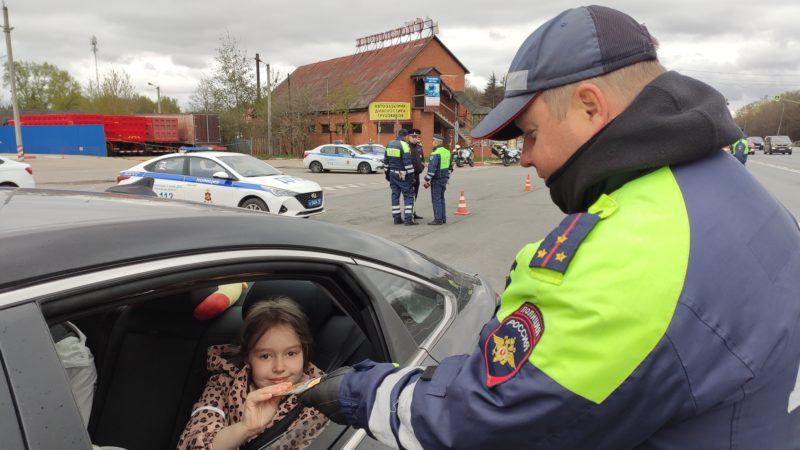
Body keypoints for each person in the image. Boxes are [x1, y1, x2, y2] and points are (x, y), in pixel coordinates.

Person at [298, 6, 800, 449]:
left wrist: (354, 391)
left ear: (590, 106)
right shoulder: (726, 184)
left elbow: (486, 423)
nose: (527, 157)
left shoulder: (630, 252)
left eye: (532, 134)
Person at [178, 298, 327, 450]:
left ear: (304, 352)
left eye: (291, 353)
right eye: (265, 356)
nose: (279, 367)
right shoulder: (223, 383)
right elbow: (192, 443)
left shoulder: (321, 396)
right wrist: (245, 428)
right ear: (247, 357)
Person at [383, 129, 418, 225]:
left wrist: (386, 173)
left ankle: (397, 218)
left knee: (395, 195)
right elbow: (407, 163)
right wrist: (412, 176)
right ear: (406, 136)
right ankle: (408, 220)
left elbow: (386, 161)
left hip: (392, 173)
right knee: (409, 195)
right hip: (402, 174)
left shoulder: (389, 144)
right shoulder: (404, 145)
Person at [423, 133, 451, 225]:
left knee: (436, 199)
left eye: (432, 141)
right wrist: (447, 176)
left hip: (437, 179)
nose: (432, 142)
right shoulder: (447, 152)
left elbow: (432, 169)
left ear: (435, 142)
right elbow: (450, 167)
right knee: (441, 198)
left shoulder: (435, 153)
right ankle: (443, 218)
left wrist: (427, 179)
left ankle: (438, 219)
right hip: (444, 178)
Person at [408, 128, 426, 220]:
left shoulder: (419, 147)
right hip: (408, 176)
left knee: (415, 195)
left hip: (417, 175)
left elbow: (422, 160)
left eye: (416, 137)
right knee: (409, 196)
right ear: (409, 137)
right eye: (413, 137)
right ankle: (409, 215)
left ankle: (413, 212)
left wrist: (421, 168)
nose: (415, 138)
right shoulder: (406, 147)